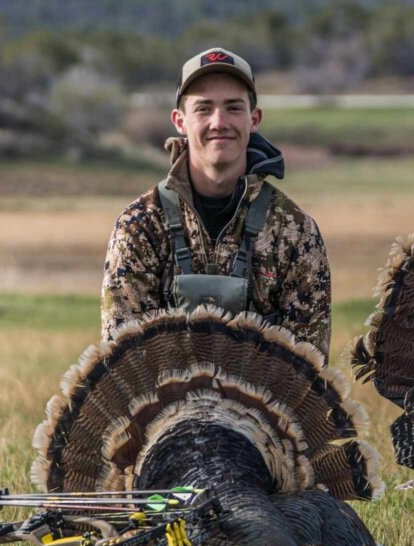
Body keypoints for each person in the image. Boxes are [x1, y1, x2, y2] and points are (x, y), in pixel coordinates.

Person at [101, 47, 331, 356]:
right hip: (164, 405)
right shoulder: (139, 225)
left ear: (254, 119)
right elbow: (121, 360)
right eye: (203, 108)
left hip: (265, 404)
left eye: (233, 108)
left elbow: (309, 368)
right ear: (179, 121)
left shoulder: (294, 230)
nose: (219, 122)